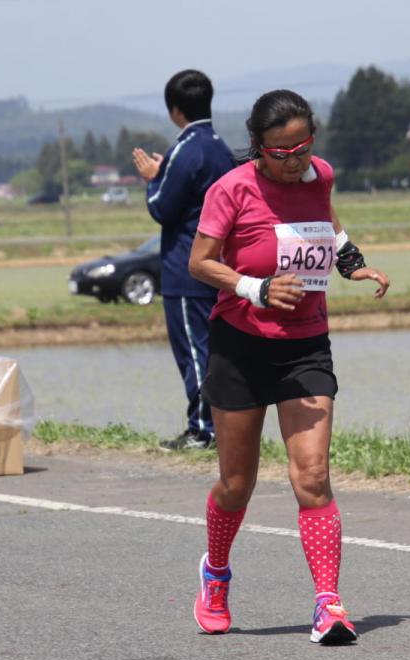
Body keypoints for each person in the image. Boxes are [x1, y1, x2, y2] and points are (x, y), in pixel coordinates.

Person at [186, 90, 390, 645]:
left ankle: (328, 605)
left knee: (313, 477)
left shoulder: (319, 175)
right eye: (281, 152)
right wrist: (255, 287)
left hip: (305, 345)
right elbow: (200, 262)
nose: (294, 159)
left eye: (303, 146)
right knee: (236, 483)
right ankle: (216, 575)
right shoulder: (232, 189)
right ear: (258, 148)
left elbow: (326, 223)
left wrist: (353, 264)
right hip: (240, 345)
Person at [132, 69, 236, 450]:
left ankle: (203, 430)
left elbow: (162, 207)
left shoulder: (186, 148)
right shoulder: (220, 147)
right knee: (215, 349)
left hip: (185, 267)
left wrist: (153, 177)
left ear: (175, 111)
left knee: (194, 350)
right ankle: (218, 426)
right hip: (219, 264)